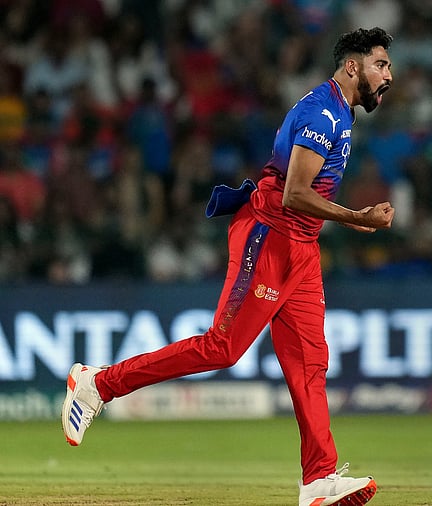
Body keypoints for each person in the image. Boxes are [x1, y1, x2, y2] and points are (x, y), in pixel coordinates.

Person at [61, 27, 396, 506]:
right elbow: (293, 193)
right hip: (270, 236)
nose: (389, 75)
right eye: (380, 65)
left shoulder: (341, 110)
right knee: (223, 348)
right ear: (351, 67)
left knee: (310, 362)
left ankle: (319, 480)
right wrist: (355, 217)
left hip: (301, 248)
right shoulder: (321, 114)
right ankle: (98, 384)